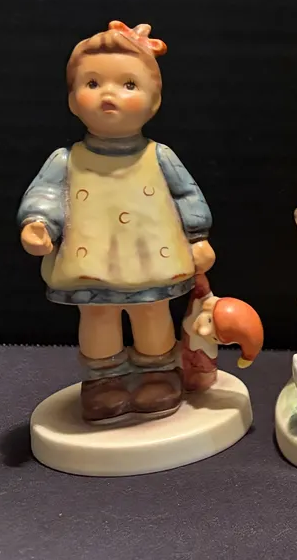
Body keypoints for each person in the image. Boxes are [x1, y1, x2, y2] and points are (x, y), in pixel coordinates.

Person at [18, 21, 213, 422]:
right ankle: (104, 381)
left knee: (153, 312)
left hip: (151, 257)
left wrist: (198, 237)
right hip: (91, 261)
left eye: (128, 84)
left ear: (154, 102)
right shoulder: (67, 160)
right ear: (72, 101)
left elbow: (187, 195)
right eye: (92, 83)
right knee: (98, 316)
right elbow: (45, 194)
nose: (109, 95)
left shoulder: (159, 156)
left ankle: (158, 374)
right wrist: (38, 223)